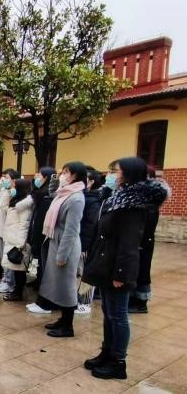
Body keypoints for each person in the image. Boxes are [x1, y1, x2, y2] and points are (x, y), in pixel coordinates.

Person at [82, 157, 168, 380]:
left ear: (129, 174)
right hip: (106, 263)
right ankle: (107, 352)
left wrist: (121, 274)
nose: (111, 175)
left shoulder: (134, 204)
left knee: (118, 315)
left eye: (116, 171)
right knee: (108, 313)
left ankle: (118, 361)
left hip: (118, 268)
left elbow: (129, 243)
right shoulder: (116, 197)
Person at [38, 162, 86, 338]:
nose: (63, 175)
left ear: (75, 175)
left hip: (66, 246)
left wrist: (62, 255)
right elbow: (52, 191)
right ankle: (63, 319)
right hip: (55, 241)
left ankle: (68, 325)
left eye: (66, 172)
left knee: (66, 286)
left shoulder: (77, 198)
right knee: (57, 284)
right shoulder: (64, 193)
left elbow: (71, 230)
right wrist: (55, 178)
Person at [128, 166, 170, 314]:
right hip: (137, 240)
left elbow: (146, 223)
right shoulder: (139, 196)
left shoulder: (151, 198)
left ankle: (141, 302)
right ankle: (133, 298)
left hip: (143, 241)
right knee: (134, 270)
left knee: (142, 271)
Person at [75, 167, 104, 314]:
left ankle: (84, 303)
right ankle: (76, 300)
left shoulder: (93, 200)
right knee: (77, 274)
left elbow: (89, 225)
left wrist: (85, 246)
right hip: (78, 241)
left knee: (84, 274)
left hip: (86, 244)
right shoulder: (83, 196)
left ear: (91, 182)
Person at [0, 179, 34, 301]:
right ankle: (16, 291)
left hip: (18, 241)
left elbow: (24, 225)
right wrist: (7, 192)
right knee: (15, 268)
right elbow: (3, 207)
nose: (12, 188)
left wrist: (20, 245)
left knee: (19, 270)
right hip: (12, 238)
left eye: (14, 186)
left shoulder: (25, 205)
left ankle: (18, 293)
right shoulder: (16, 201)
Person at [0, 168, 20, 293]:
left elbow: (11, 211)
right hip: (0, 229)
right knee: (3, 258)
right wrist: (0, 182)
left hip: (9, 231)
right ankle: (5, 279)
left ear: (14, 179)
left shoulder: (15, 193)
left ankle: (9, 282)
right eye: (3, 177)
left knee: (8, 259)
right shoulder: (5, 191)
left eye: (7, 178)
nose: (4, 180)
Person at [26, 167, 56, 290]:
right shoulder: (39, 193)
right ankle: (37, 280)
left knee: (42, 259)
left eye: (39, 175)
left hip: (41, 231)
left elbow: (42, 219)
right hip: (36, 228)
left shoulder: (47, 196)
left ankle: (41, 284)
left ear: (46, 178)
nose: (36, 178)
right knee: (37, 259)